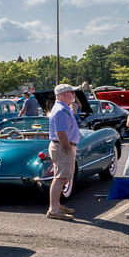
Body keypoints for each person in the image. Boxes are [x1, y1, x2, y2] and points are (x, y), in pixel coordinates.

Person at [45, 84, 80, 221]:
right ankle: (53, 209)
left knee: (62, 177)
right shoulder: (60, 110)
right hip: (62, 146)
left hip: (62, 146)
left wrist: (74, 109)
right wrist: (68, 148)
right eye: (72, 92)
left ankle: (57, 205)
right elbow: (60, 133)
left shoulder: (62, 108)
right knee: (60, 178)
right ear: (64, 94)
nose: (74, 95)